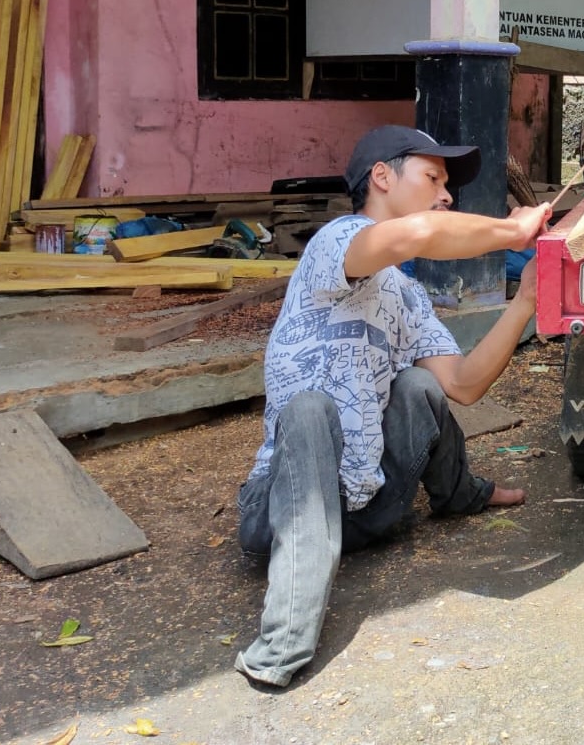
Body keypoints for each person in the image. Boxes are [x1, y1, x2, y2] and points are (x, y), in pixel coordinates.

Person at [234, 124, 551, 687]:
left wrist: (526, 299)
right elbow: (418, 234)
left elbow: (464, 385)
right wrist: (511, 231)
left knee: (419, 387)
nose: (445, 193)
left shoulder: (406, 296)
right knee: (308, 408)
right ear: (381, 177)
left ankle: (461, 495)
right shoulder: (335, 242)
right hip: (278, 511)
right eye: (433, 177)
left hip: (368, 509)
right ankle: (281, 647)